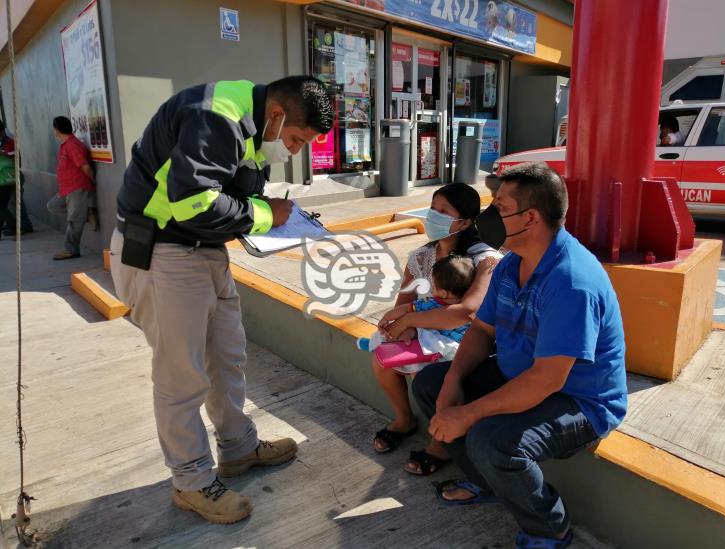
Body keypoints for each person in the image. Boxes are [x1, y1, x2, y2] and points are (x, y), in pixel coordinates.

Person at [110, 76, 334, 524]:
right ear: (276, 114)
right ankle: (191, 481)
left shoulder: (251, 126)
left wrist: (265, 207)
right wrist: (269, 214)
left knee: (227, 357)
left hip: (203, 254)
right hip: (162, 253)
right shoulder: (216, 115)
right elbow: (193, 203)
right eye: (293, 139)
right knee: (182, 377)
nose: (291, 151)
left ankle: (238, 448)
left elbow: (230, 192)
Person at [413, 162, 627, 549]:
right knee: (430, 384)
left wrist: (468, 413)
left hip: (579, 401)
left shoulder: (572, 282)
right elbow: (482, 329)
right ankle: (488, 483)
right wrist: (453, 381)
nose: (490, 214)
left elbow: (548, 380)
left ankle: (550, 528)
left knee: (492, 440)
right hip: (521, 377)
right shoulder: (512, 263)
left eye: (499, 205)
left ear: (529, 218)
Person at [370, 183, 503, 476]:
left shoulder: (486, 260)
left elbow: (466, 313)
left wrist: (410, 320)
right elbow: (403, 302)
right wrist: (399, 326)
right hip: (428, 332)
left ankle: (441, 443)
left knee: (427, 373)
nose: (434, 216)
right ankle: (405, 419)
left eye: (444, 211)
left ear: (466, 222)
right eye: (432, 209)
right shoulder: (421, 257)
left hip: (471, 343)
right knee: (383, 356)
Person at [47, 116, 95, 259]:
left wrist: (93, 180)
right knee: (52, 206)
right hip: (66, 189)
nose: (53, 131)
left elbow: (85, 166)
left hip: (77, 187)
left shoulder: (73, 145)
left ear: (57, 130)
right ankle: (86, 214)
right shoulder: (66, 144)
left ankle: (71, 250)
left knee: (74, 220)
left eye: (54, 128)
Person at [0, 120, 33, 238]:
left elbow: (14, 155)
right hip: (5, 178)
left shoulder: (8, 141)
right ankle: (19, 225)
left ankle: (20, 226)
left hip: (10, 177)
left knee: (14, 203)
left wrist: (2, 152)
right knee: (12, 203)